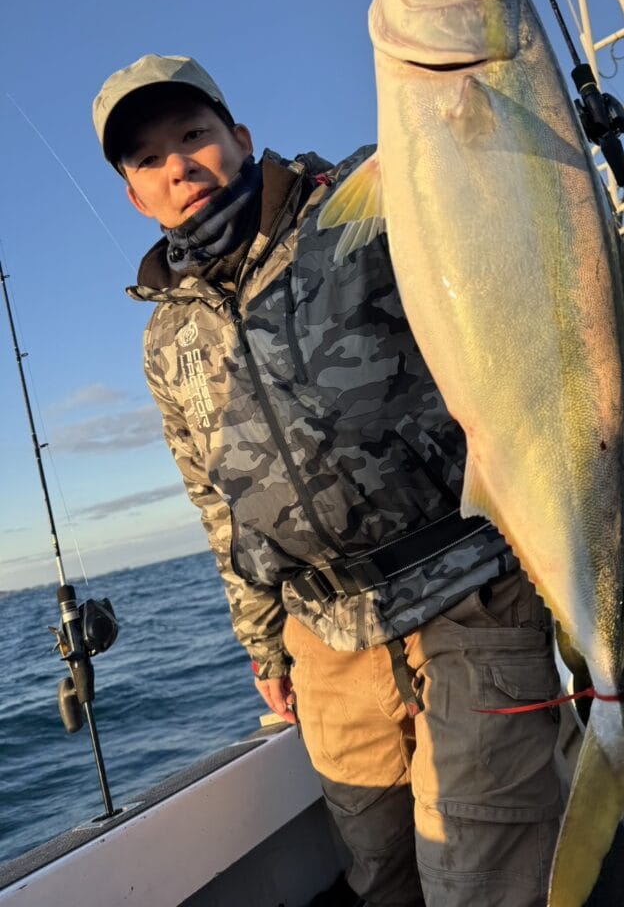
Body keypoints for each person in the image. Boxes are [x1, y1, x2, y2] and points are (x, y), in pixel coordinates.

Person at [92, 53, 563, 907]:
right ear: (134, 196)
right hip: (325, 638)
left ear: (241, 137)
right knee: (381, 876)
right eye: (149, 159)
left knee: (480, 884)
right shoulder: (164, 339)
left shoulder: (360, 203)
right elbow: (214, 500)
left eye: (193, 135)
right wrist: (265, 644)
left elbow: (487, 221)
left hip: (469, 588)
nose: (179, 167)